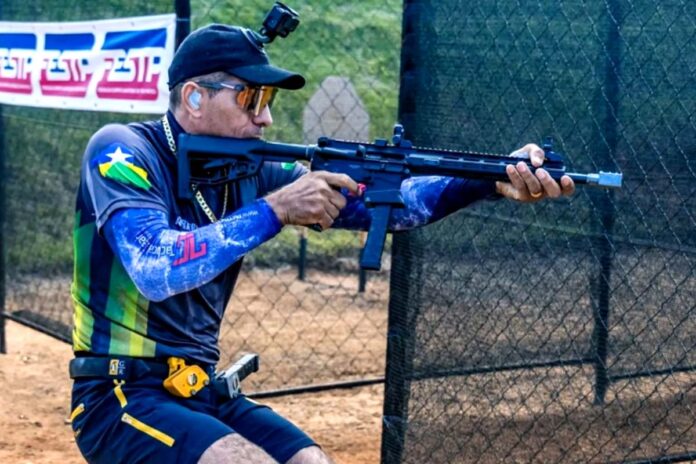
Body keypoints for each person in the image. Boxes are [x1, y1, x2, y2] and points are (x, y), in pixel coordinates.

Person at [68, 23, 575, 464]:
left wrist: (488, 181)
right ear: (194, 97)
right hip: (119, 394)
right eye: (251, 99)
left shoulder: (247, 169)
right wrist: (274, 209)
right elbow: (155, 267)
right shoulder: (122, 151)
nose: (265, 118)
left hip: (198, 386)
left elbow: (392, 205)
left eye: (268, 101)